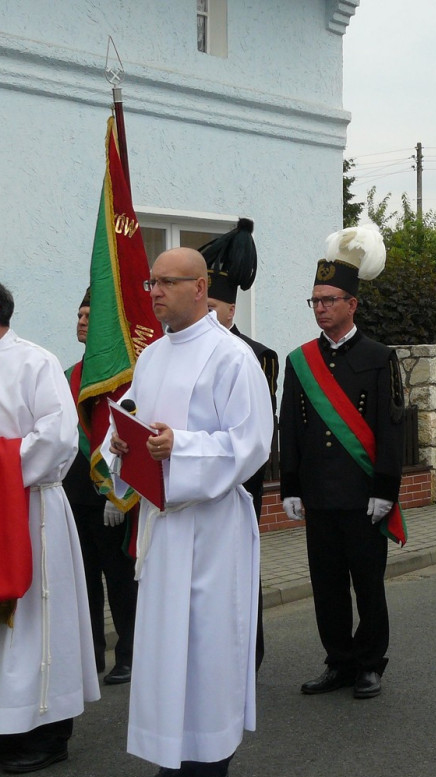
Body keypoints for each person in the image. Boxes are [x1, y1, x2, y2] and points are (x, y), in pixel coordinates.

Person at [103, 247, 272, 777]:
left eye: (166, 282)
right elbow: (131, 419)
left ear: (199, 288)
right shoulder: (152, 355)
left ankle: (212, 770)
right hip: (163, 523)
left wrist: (182, 446)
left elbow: (251, 443)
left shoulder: (232, 357)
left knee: (207, 645)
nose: (153, 292)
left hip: (211, 525)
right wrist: (121, 443)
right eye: (151, 282)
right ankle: (171, 760)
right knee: (162, 644)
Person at [0, 275, 99, 774]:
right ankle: (2, 727)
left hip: (31, 512)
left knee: (33, 622)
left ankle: (49, 734)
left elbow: (59, 435)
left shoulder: (36, 362)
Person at [279, 225, 406, 701]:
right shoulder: (299, 361)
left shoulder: (379, 357)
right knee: (327, 585)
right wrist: (290, 487)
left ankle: (370, 663)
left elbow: (391, 429)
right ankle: (338, 661)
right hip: (318, 494)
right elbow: (290, 428)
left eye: (329, 300)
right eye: (314, 301)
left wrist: (385, 491)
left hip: (362, 495)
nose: (320, 308)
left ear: (352, 304)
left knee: (367, 585)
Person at [200, 218, 278, 671]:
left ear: (231, 310)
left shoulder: (256, 356)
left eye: (214, 307)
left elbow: (255, 431)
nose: (208, 315)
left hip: (239, 481)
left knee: (241, 568)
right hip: (195, 482)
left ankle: (250, 652)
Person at [62, 288, 138, 685]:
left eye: (89, 317)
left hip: (110, 498)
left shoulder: (123, 377)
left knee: (120, 580)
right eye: (79, 315)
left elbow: (129, 437)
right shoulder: (68, 376)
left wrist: (118, 491)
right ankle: (89, 656)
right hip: (73, 495)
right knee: (83, 581)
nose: (81, 322)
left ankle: (129, 654)